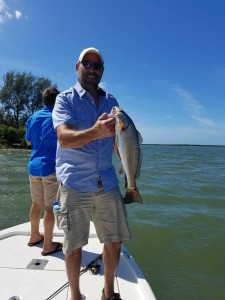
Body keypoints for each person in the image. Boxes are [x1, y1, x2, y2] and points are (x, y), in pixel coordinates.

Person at [52, 47, 131, 300]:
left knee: (115, 240)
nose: (92, 69)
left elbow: (120, 141)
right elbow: (63, 138)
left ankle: (108, 293)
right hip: (75, 182)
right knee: (74, 246)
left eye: (97, 65)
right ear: (77, 67)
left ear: (102, 71)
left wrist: (129, 164)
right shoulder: (65, 99)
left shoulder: (112, 102)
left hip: (107, 181)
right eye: (87, 64)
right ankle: (75, 295)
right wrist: (95, 132)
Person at [25, 87, 63, 256]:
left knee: (36, 203)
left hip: (33, 166)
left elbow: (28, 142)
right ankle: (48, 244)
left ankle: (34, 236)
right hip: (50, 167)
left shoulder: (32, 118)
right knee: (50, 207)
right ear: (58, 101)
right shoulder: (57, 118)